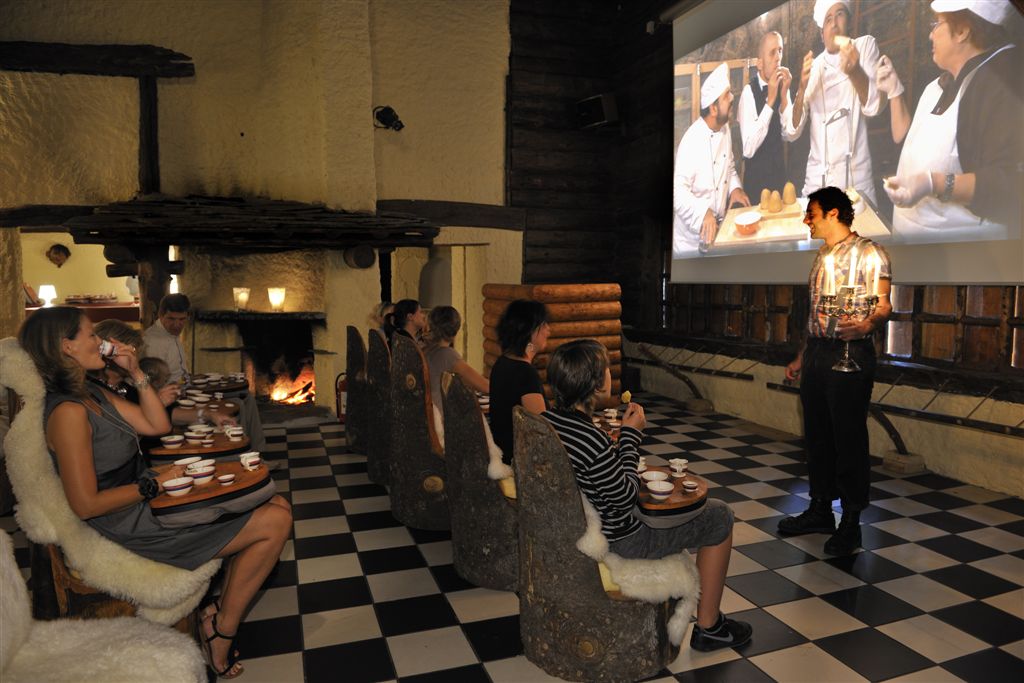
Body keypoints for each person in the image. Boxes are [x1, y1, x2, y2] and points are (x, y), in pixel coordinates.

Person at [19, 306, 292, 678]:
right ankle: (222, 631)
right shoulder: (68, 412)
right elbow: (85, 505)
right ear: (67, 347)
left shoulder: (90, 392)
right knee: (275, 520)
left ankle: (217, 614)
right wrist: (153, 484)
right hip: (128, 519)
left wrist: (136, 373)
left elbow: (157, 424)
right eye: (91, 335)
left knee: (275, 503)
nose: (100, 342)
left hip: (146, 500)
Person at [542, 339, 752, 653]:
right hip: (623, 541)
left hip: (580, 530)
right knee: (720, 515)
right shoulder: (590, 439)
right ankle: (710, 627)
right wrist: (630, 437)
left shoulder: (550, 421)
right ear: (598, 384)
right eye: (607, 369)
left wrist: (613, 450)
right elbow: (625, 499)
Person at [779, 187, 892, 555]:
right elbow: (815, 315)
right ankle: (820, 509)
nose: (805, 220)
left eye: (811, 213)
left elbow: (884, 305)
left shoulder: (869, 252)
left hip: (851, 351)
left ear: (832, 213)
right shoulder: (821, 257)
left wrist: (865, 325)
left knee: (848, 438)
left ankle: (851, 522)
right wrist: (802, 355)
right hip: (817, 352)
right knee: (817, 436)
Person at [880, 0, 1022, 242]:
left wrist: (934, 183)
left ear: (962, 30)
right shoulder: (935, 87)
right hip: (909, 241)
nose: (930, 34)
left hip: (959, 255)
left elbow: (1008, 186)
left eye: (936, 24)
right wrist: (894, 92)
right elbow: (906, 143)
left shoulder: (1000, 84)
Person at [782, 0, 884, 204]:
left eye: (839, 14)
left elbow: (875, 106)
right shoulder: (815, 66)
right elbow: (791, 132)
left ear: (849, 21)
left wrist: (855, 71)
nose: (834, 23)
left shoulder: (864, 46)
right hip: (818, 183)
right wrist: (801, 88)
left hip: (856, 183)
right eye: (828, 19)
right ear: (822, 34)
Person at [143, 294, 265, 451]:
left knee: (247, 398)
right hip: (175, 400)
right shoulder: (153, 341)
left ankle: (258, 452)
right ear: (160, 315)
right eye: (171, 319)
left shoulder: (171, 334)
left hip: (187, 389)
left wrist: (193, 379)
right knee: (240, 404)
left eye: (182, 319)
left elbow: (179, 372)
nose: (177, 325)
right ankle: (244, 452)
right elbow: (152, 383)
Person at [673, 62, 751, 257]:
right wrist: (703, 213)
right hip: (689, 245)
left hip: (716, 234)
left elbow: (729, 167)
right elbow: (677, 193)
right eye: (727, 95)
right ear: (713, 109)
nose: (732, 98)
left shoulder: (725, 129)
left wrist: (735, 189)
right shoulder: (692, 141)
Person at [489, 300, 550, 464]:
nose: (548, 330)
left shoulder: (502, 362)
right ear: (530, 331)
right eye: (543, 325)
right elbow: (542, 431)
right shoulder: (526, 373)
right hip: (520, 461)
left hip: (503, 452)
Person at [737, 30, 794, 199]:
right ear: (760, 64)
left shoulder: (783, 86)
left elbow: (788, 135)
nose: (778, 58)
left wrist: (784, 97)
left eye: (780, 50)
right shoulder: (748, 93)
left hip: (780, 182)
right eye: (772, 53)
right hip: (756, 187)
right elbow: (748, 149)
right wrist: (770, 102)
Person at [423, 306, 489, 412]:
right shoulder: (447, 354)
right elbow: (485, 387)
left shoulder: (425, 349)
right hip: (438, 416)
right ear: (455, 329)